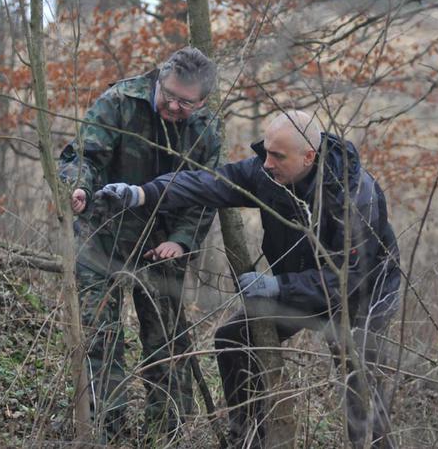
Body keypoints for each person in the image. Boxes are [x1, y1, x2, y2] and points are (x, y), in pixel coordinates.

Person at [94, 110, 401, 448]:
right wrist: (142, 194)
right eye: (266, 151)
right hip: (297, 283)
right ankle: (248, 437)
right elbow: (208, 182)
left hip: (363, 297)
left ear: (308, 157)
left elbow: (347, 279)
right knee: (234, 338)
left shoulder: (356, 196)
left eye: (277, 156)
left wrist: (278, 287)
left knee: (359, 383)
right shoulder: (268, 173)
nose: (266, 163)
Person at [58, 46, 221, 444]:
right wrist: (78, 187)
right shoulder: (119, 102)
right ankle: (104, 430)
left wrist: (182, 242)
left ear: (202, 101)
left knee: (166, 342)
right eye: (168, 94)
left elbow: (204, 195)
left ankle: (168, 432)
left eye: (186, 102)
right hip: (103, 237)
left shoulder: (205, 131)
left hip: (161, 248)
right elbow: (83, 156)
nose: (174, 105)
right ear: (159, 79)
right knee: (101, 336)